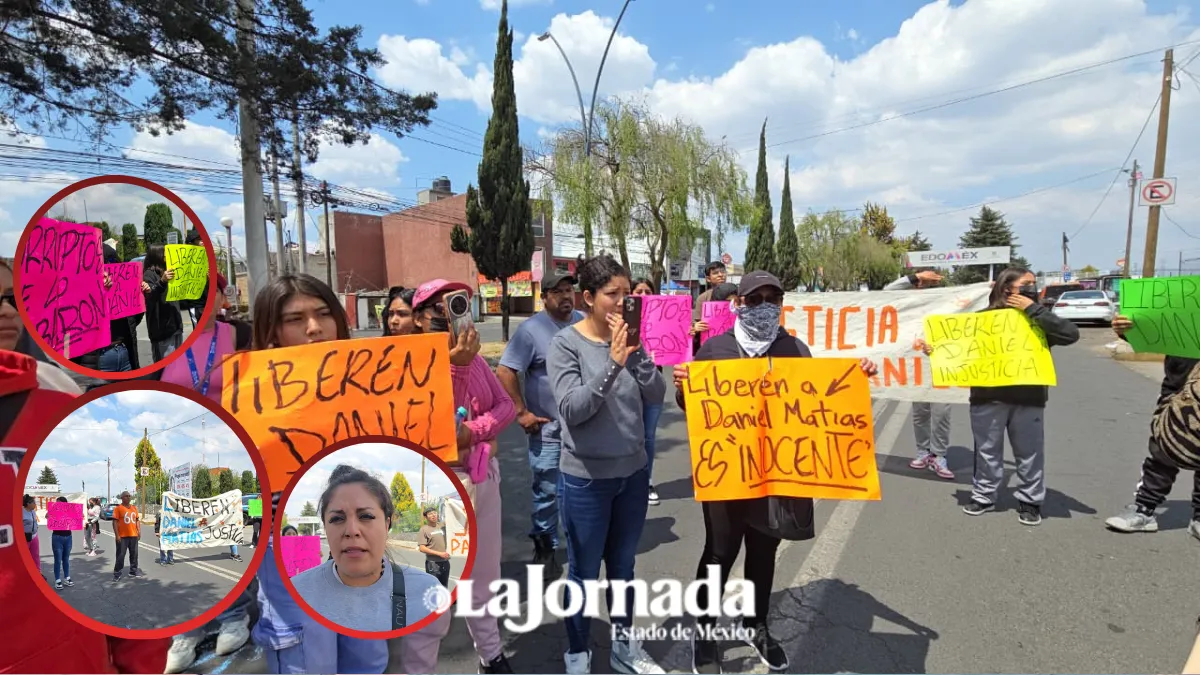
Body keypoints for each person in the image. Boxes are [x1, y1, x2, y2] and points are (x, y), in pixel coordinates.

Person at [673, 270, 879, 673]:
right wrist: (685, 388)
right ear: (738, 304)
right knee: (718, 552)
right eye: (755, 299)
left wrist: (855, 380)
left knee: (763, 552)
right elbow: (693, 409)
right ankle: (705, 629)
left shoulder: (795, 350)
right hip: (728, 473)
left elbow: (820, 402)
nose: (765, 306)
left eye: (773, 298)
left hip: (776, 475)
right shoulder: (715, 349)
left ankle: (757, 624)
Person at [213, 274, 386, 675]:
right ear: (272, 330)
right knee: (307, 656)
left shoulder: (373, 376)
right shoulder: (250, 390)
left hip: (355, 538)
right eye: (296, 319)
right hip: (295, 542)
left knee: (367, 652)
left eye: (324, 313)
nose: (314, 328)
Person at [0, 288, 170, 671]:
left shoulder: (53, 394)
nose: (8, 311)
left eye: (11, 297)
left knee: (94, 560)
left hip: (68, 651)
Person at [547, 253, 666, 675]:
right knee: (582, 572)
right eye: (612, 294)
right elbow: (572, 410)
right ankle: (578, 653)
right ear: (588, 298)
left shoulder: (633, 341)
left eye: (626, 293)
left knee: (623, 567)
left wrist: (633, 357)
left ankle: (623, 645)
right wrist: (613, 364)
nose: (621, 302)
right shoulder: (565, 345)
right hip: (585, 481)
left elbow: (656, 395)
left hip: (632, 475)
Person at [409, 278, 516, 674]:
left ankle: (491, 653)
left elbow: (505, 407)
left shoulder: (474, 361)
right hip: (437, 491)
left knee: (484, 575)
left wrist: (474, 431)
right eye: (439, 308)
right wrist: (457, 366)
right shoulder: (409, 364)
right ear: (419, 318)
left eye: (458, 305)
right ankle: (419, 668)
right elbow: (434, 428)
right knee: (434, 587)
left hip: (483, 477)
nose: (449, 314)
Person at [962, 267, 1079, 525]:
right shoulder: (982, 319)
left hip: (1029, 398)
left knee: (1030, 453)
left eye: (1033, 286)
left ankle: (1030, 501)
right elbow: (958, 351)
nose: (1033, 290)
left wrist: (1032, 309)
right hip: (987, 397)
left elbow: (1070, 334)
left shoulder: (1039, 319)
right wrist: (933, 349)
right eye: (1026, 285)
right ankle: (983, 496)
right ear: (1007, 289)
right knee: (986, 451)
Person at [495, 272, 583, 576]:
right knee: (547, 490)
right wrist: (521, 413)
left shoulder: (584, 322)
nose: (565, 296)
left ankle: (580, 543)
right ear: (544, 297)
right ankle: (545, 545)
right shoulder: (531, 331)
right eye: (557, 291)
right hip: (548, 429)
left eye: (569, 290)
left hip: (584, 429)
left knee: (581, 489)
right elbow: (505, 371)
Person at [291, 465, 442, 632]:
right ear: (325, 527)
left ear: (387, 524)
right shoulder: (293, 594)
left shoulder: (428, 593)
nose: (352, 531)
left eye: (366, 516)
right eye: (337, 519)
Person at [1103, 314, 1200, 539]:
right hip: (1178, 388)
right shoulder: (1183, 297)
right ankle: (1144, 509)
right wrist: (1125, 329)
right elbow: (1152, 331)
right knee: (1162, 449)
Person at [885, 269, 955, 479]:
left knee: (941, 413)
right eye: (918, 284)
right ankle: (923, 452)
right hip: (915, 368)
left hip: (942, 366)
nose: (920, 288)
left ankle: (939, 455)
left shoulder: (946, 304)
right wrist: (916, 277)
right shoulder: (907, 305)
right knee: (920, 413)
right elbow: (888, 290)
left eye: (925, 284)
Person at [630, 278, 666, 506]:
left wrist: (690, 333)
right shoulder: (622, 318)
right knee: (631, 433)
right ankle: (629, 481)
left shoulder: (664, 316)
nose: (643, 294)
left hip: (653, 382)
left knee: (649, 436)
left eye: (648, 291)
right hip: (627, 384)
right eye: (638, 290)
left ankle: (647, 480)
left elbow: (679, 341)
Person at [142, 244, 184, 361]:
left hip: (175, 328)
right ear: (157, 255)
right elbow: (150, 297)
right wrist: (162, 281)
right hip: (162, 332)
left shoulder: (169, 271)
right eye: (164, 253)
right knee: (165, 370)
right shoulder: (149, 275)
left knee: (177, 367)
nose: (167, 255)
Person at [690, 261, 728, 336]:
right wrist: (696, 327)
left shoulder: (736, 295)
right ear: (708, 279)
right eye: (715, 273)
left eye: (723, 272)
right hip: (710, 340)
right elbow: (697, 323)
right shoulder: (703, 298)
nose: (720, 275)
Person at [111, 491, 142, 581]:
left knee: (134, 554)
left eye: (129, 496)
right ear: (122, 498)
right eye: (126, 496)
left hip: (133, 535)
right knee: (120, 555)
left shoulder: (134, 508)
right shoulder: (118, 509)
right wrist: (117, 535)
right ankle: (117, 573)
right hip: (122, 536)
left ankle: (133, 571)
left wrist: (138, 531)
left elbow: (137, 520)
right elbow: (115, 522)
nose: (128, 497)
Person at [418, 506, 451, 587]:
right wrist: (439, 554)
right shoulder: (424, 529)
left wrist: (449, 503)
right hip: (433, 564)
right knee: (434, 588)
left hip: (445, 562)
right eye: (430, 514)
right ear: (425, 517)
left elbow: (454, 519)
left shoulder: (442, 525)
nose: (433, 515)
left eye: (435, 513)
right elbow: (422, 548)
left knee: (444, 587)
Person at [50, 496, 75, 590]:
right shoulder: (53, 511)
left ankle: (67, 578)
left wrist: (79, 517)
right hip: (57, 537)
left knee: (66, 559)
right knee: (58, 559)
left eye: (59, 503)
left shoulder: (70, 512)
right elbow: (47, 516)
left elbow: (75, 520)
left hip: (68, 537)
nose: (58, 504)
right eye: (57, 503)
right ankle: (57, 580)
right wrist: (49, 515)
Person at [22, 493, 39, 572]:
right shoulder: (21, 511)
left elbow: (35, 521)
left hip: (34, 536)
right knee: (25, 557)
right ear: (28, 504)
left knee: (35, 555)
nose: (35, 504)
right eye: (33, 503)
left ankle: (38, 572)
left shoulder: (33, 512)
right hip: (25, 537)